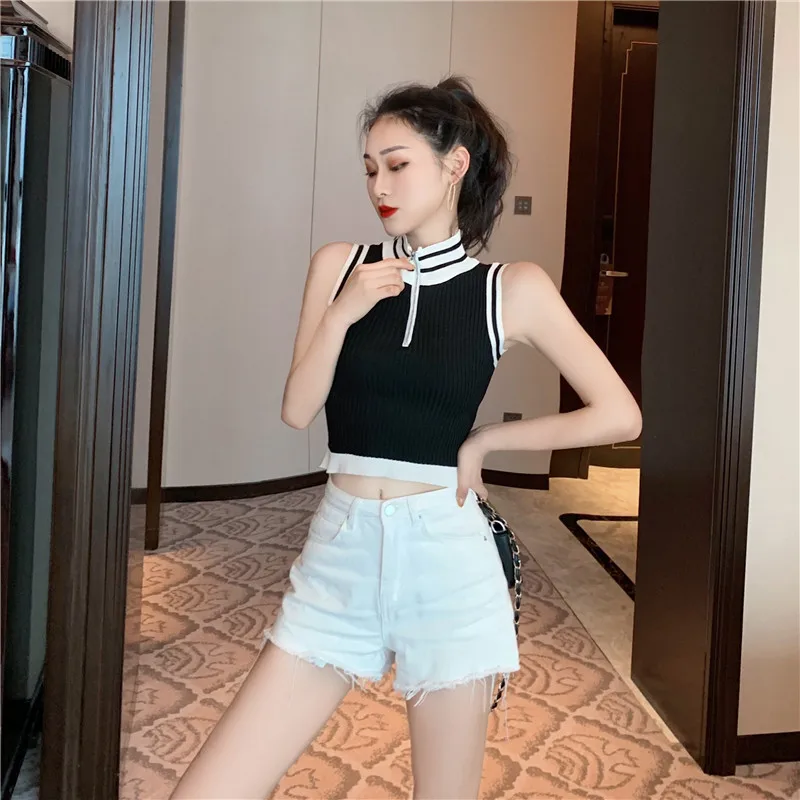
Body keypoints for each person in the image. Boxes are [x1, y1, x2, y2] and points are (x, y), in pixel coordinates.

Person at [169, 76, 642, 800]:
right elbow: (298, 409)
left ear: (455, 166)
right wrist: (344, 312)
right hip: (339, 555)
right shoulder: (340, 265)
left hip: (448, 563)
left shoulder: (509, 288)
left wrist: (485, 443)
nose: (379, 186)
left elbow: (619, 414)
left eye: (397, 164)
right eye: (369, 169)